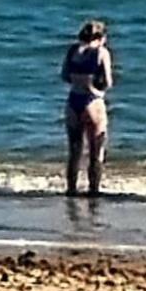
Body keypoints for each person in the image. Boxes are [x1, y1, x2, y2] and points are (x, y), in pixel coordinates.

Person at [59, 21, 114, 198]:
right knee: (96, 151)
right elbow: (107, 81)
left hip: (73, 100)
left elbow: (65, 76)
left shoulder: (73, 51)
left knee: (74, 151)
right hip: (93, 101)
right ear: (101, 38)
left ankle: (71, 189)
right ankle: (93, 190)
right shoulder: (101, 53)